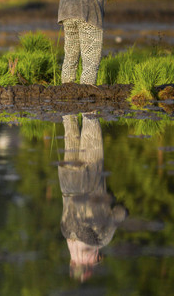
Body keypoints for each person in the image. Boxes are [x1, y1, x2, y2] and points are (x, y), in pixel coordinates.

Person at [59, 114, 128, 282]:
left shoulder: (99, 241)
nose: (99, 257)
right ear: (72, 262)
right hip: (67, 183)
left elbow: (119, 213)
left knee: (90, 125)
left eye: (98, 259)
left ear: (93, 261)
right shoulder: (66, 234)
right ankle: (67, 89)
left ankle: (88, 88)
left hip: (89, 183)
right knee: (70, 125)